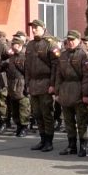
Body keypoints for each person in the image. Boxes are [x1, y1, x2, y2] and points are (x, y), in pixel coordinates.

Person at [55, 30, 88, 156]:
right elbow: (59, 75)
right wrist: (57, 92)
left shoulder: (84, 55)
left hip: (78, 89)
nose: (70, 42)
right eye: (69, 40)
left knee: (81, 121)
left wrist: (86, 94)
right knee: (68, 121)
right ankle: (71, 145)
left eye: (73, 40)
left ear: (79, 40)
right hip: (66, 90)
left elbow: (87, 77)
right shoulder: (63, 55)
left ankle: (83, 146)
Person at [25, 19, 61, 152]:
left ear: (43, 28)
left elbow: (56, 66)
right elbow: (27, 66)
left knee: (47, 113)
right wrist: (27, 83)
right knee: (37, 113)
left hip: (46, 82)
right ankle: (42, 139)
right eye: (32, 27)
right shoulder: (30, 44)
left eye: (36, 27)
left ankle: (49, 141)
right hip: (34, 84)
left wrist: (52, 84)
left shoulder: (50, 43)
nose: (33, 30)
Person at [1, 36, 30, 137]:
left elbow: (28, 73)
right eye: (12, 44)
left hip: (21, 85)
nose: (13, 46)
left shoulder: (24, 57)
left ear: (20, 45)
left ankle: (24, 127)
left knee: (23, 107)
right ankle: (18, 126)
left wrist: (27, 87)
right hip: (12, 85)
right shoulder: (12, 57)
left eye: (15, 44)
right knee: (15, 108)